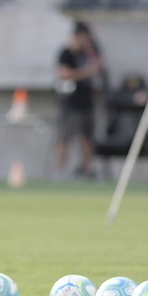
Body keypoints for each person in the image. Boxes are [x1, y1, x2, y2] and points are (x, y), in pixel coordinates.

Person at [55, 21, 103, 179]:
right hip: (70, 104)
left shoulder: (89, 53)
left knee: (87, 139)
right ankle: (60, 172)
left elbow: (99, 69)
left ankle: (86, 169)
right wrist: (86, 73)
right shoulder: (66, 53)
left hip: (87, 102)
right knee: (65, 138)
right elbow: (64, 73)